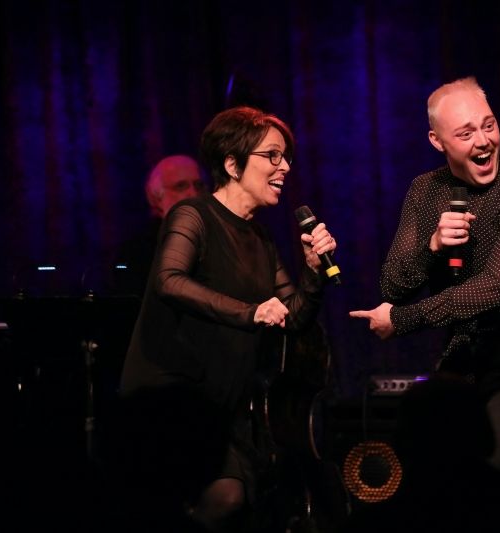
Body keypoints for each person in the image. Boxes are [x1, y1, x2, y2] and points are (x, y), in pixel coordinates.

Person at [349, 77, 500, 524]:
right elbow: (394, 283)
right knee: (425, 475)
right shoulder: (425, 191)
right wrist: (431, 245)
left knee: (480, 476)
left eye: (488, 126)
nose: (484, 141)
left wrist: (402, 320)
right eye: (466, 133)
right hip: (468, 359)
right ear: (437, 141)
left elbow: (491, 291)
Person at [117, 106, 338, 532]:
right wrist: (250, 311)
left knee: (239, 501)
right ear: (233, 164)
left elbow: (292, 318)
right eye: (272, 156)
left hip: (220, 404)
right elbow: (168, 281)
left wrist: (314, 272)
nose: (285, 167)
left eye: (287, 157)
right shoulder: (192, 216)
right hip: (171, 395)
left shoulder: (261, 236)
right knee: (224, 495)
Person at [113, 154, 206, 295]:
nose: (193, 194)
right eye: (181, 186)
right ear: (156, 197)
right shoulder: (138, 251)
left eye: (198, 185)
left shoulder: (221, 236)